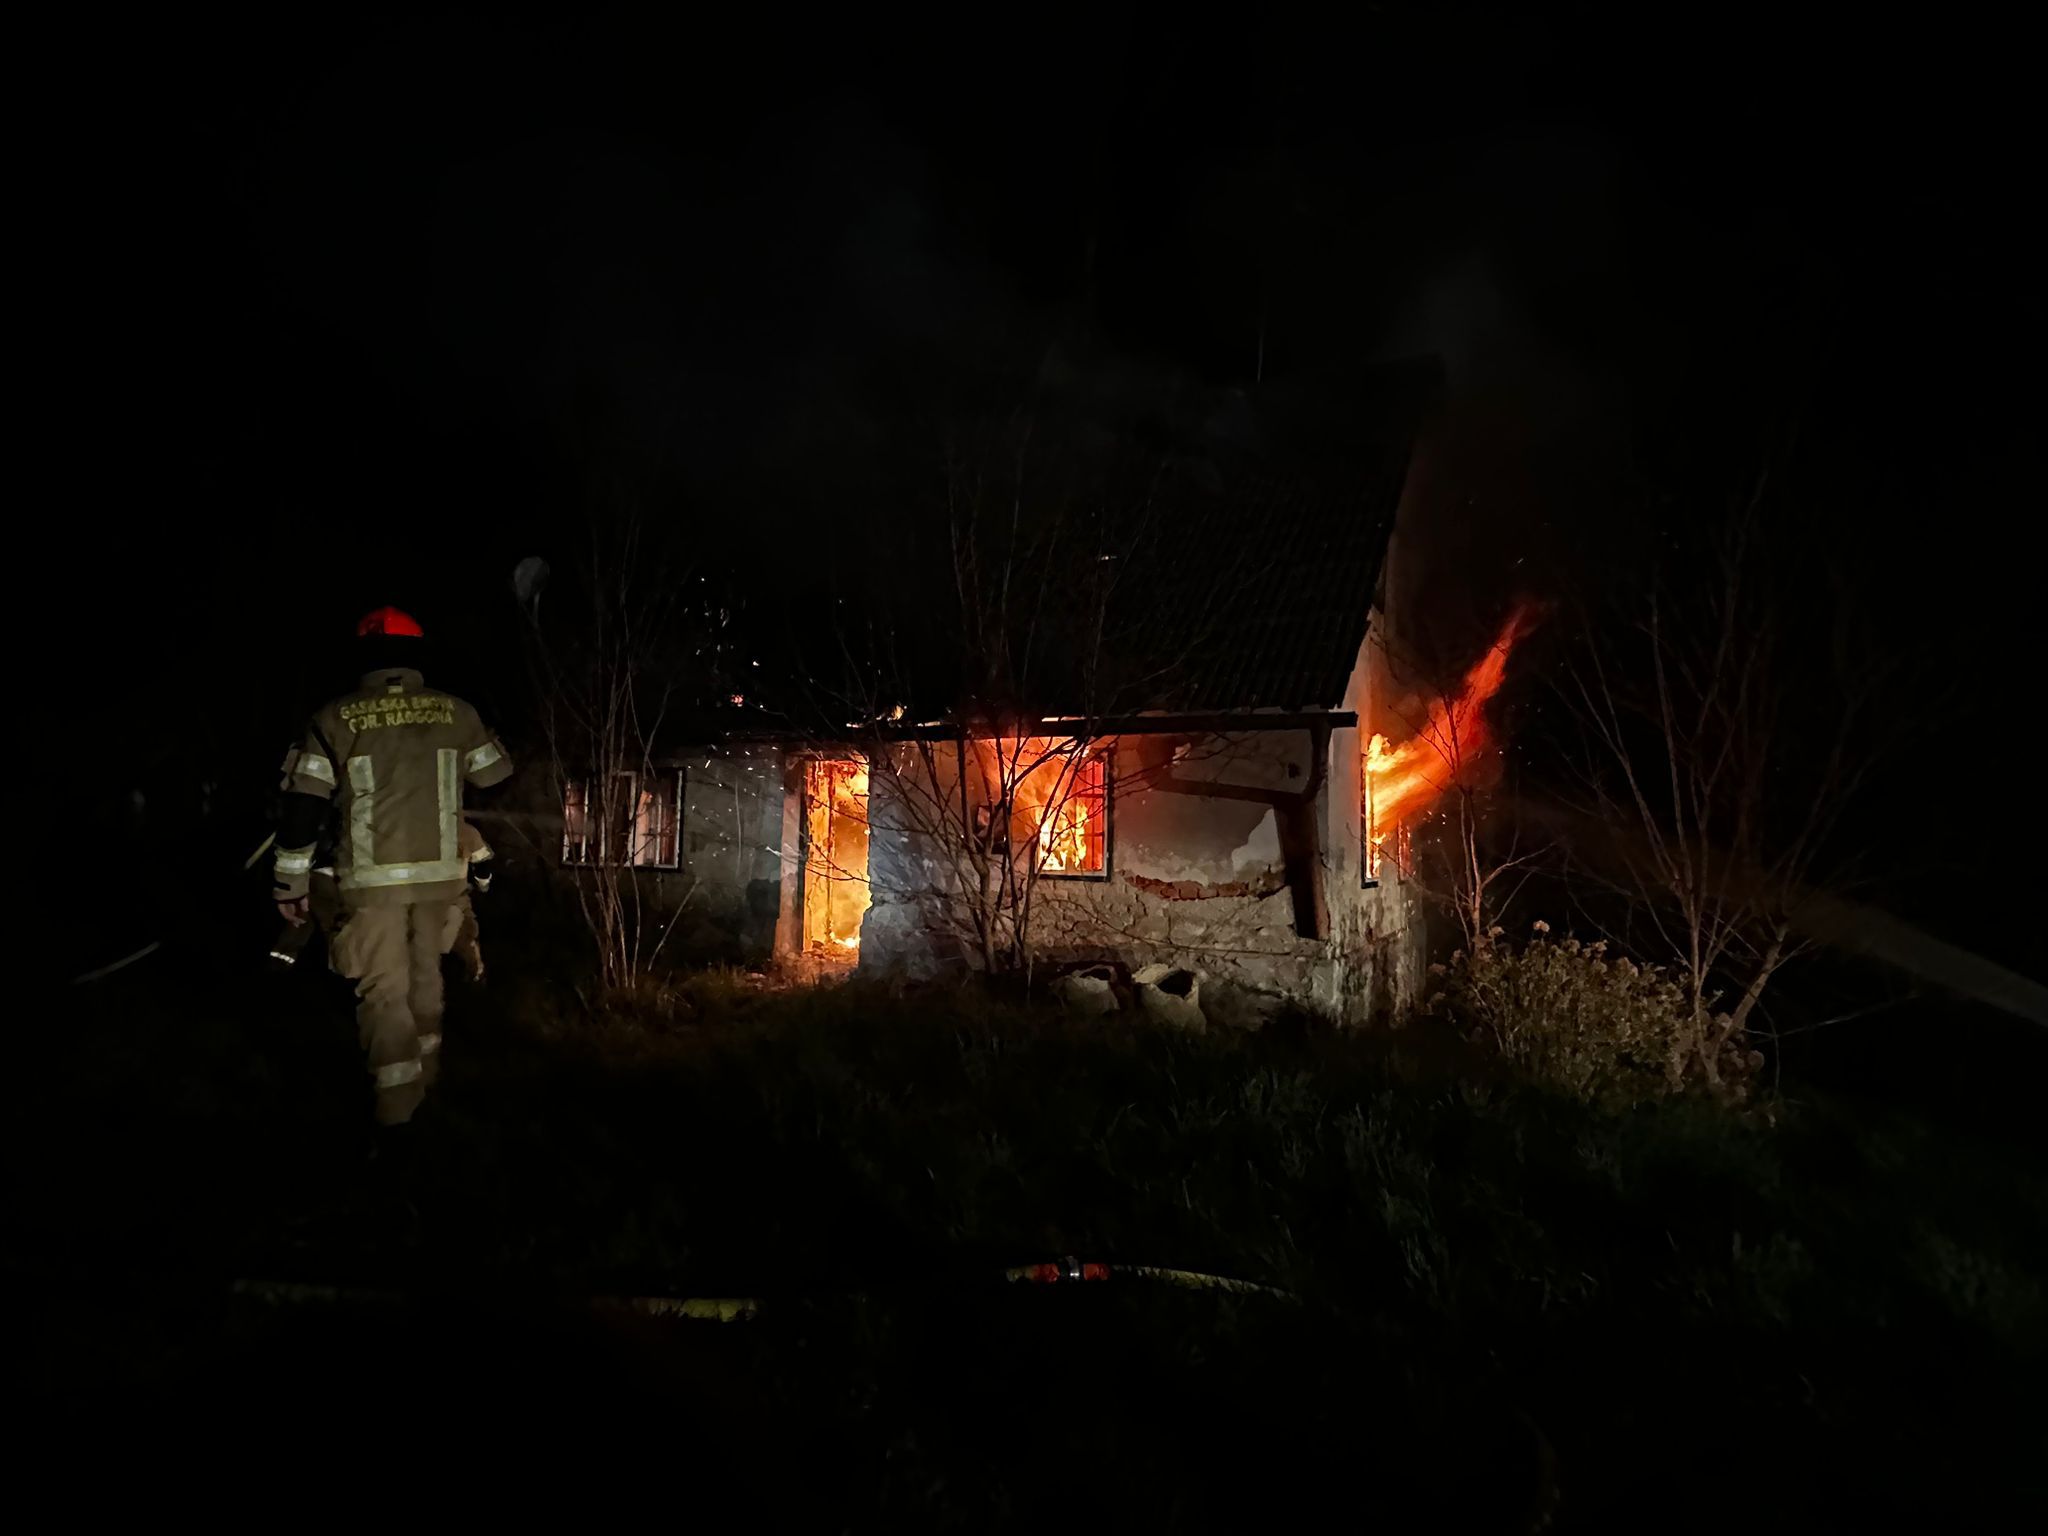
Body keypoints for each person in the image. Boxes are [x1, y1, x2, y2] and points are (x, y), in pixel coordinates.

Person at [272, 607, 514, 1127]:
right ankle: (426, 1086)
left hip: (370, 886)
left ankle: (398, 1116)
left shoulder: (333, 717)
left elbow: (302, 808)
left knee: (384, 993)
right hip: (440, 882)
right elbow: (496, 776)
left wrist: (290, 883)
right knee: (427, 980)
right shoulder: (456, 712)